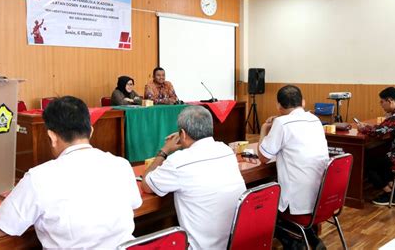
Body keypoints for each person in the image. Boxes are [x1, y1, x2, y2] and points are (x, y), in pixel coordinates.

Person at [0, 96, 142, 248]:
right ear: (91, 132)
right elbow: (135, 204)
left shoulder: (38, 178)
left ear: (52, 136)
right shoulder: (121, 165)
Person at [141, 106, 246, 250]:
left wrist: (165, 150)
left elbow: (147, 184)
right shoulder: (226, 150)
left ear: (182, 134)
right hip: (236, 242)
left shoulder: (179, 161)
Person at [257, 85, 329, 250]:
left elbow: (263, 157)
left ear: (278, 106)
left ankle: (294, 244)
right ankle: (312, 239)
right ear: (303, 102)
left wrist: (264, 129)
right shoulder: (315, 119)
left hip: (297, 201)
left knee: (264, 207)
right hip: (320, 197)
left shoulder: (282, 123)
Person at [357, 87, 395, 206]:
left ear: (390, 100)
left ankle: (390, 194)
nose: (381, 105)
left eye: (382, 102)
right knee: (378, 156)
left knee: (366, 163)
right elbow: (385, 127)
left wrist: (363, 128)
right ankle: (391, 187)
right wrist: (370, 127)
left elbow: (378, 131)